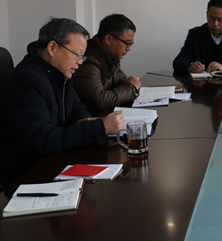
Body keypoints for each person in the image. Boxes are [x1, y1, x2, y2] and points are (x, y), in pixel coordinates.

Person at [0, 18, 124, 185]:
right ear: (52, 47)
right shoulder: (27, 81)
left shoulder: (59, 73)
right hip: (27, 173)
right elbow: (43, 139)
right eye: (76, 54)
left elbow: (76, 107)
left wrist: (86, 120)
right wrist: (99, 127)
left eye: (82, 57)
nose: (80, 62)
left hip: (53, 158)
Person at [73, 13, 140, 116]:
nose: (129, 48)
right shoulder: (89, 59)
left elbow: (122, 81)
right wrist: (131, 88)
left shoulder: (110, 56)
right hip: (91, 118)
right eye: (126, 43)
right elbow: (98, 100)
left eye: (131, 44)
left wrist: (129, 86)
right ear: (108, 39)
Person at [173, 0, 222, 74]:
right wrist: (190, 68)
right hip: (202, 81)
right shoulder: (195, 34)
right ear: (207, 15)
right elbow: (179, 61)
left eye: (220, 19)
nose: (215, 23)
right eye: (212, 18)